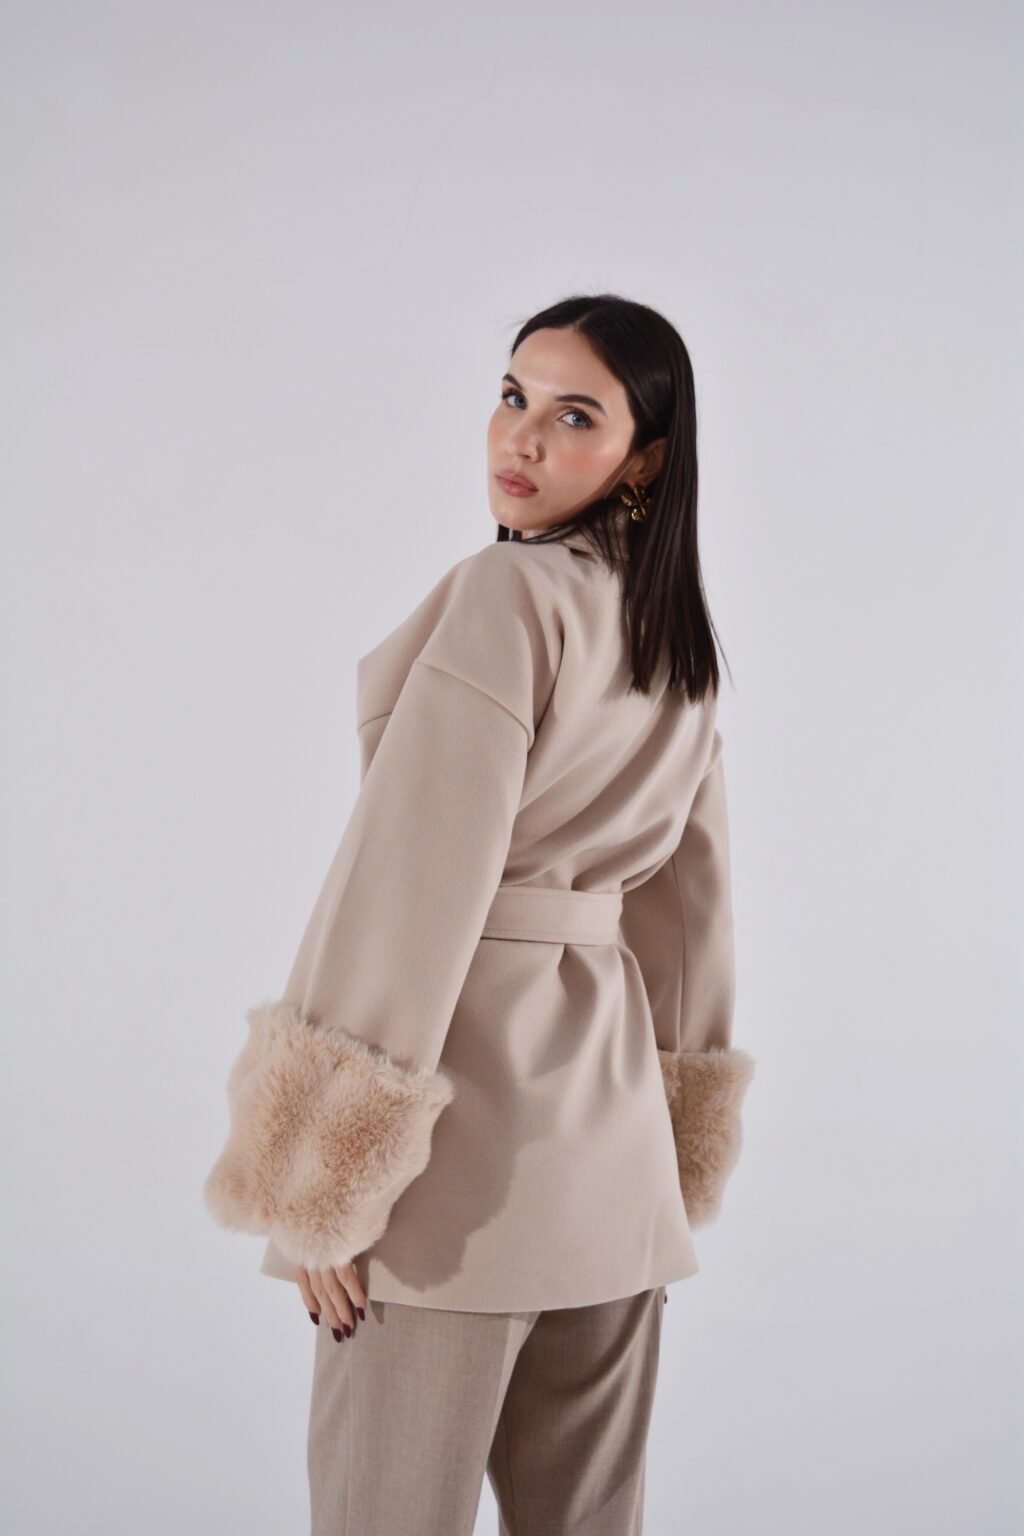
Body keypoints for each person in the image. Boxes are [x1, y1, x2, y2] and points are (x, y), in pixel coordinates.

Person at [203, 291, 756, 1534]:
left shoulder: (509, 595)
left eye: (575, 415)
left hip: (451, 1178)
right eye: (513, 396)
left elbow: (411, 882)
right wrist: (675, 1138)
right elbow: (692, 911)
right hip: (612, 1171)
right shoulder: (677, 638)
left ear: (645, 458)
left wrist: (325, 1180)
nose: (522, 437)